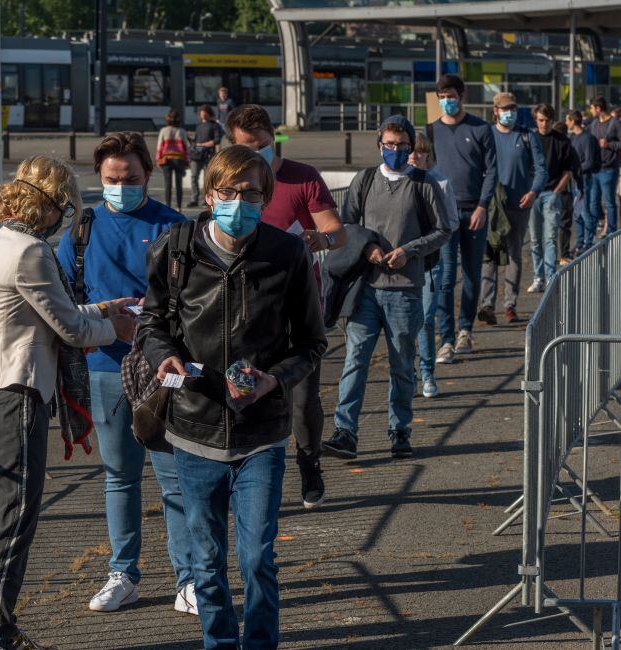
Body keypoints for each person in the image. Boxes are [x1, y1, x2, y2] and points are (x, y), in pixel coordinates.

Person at [136, 145, 327, 650]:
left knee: (258, 557)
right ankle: (218, 642)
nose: (239, 202)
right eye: (229, 191)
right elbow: (152, 321)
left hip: (261, 432)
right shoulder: (177, 248)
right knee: (206, 560)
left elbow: (312, 342)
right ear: (209, 194)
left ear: (265, 198)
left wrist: (275, 379)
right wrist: (164, 355)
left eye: (251, 193)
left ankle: (260, 643)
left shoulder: (287, 254)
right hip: (194, 428)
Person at [0, 155, 136, 650]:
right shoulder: (30, 252)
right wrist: (115, 327)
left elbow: (48, 311)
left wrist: (101, 308)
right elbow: (71, 329)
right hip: (16, 390)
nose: (65, 216)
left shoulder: (5, 241)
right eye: (64, 206)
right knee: (13, 518)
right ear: (49, 204)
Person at [53, 132, 196, 615]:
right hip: (104, 367)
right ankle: (123, 574)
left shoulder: (173, 226)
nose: (120, 186)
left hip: (162, 369)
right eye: (112, 178)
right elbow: (60, 298)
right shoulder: (82, 228)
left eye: (130, 178)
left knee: (174, 478)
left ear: (148, 174)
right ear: (99, 177)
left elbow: (196, 297)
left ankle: (188, 579)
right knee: (119, 476)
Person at [225, 103, 346, 509]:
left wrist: (321, 239)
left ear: (273, 137)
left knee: (303, 398)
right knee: (245, 392)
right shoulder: (230, 183)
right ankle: (250, 477)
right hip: (245, 308)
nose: (255, 153)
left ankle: (309, 462)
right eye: (245, 146)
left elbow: (336, 230)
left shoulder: (302, 177)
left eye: (261, 144)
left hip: (297, 306)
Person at [323, 116, 454, 461]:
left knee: (401, 364)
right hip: (365, 287)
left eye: (402, 145)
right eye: (390, 144)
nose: (395, 150)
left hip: (405, 290)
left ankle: (400, 430)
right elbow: (347, 224)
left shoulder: (424, 184)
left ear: (411, 146)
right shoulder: (365, 180)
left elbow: (443, 230)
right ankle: (345, 431)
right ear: (379, 144)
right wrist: (367, 247)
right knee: (355, 359)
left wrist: (409, 250)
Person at [426, 73, 498, 363]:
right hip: (444, 214)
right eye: (442, 97)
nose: (447, 102)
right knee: (444, 277)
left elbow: (492, 171)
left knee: (471, 274)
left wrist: (483, 206)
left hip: (474, 212)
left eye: (451, 97)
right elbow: (426, 169)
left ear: (462, 96)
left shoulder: (481, 128)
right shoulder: (431, 130)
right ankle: (445, 339)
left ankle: (465, 330)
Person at [477, 92, 546, 323]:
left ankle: (510, 305)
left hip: (519, 204)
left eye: (513, 109)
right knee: (489, 256)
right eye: (505, 109)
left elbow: (541, 169)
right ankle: (487, 305)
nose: (509, 113)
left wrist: (533, 192)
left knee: (514, 254)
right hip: (492, 206)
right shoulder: (486, 135)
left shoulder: (527, 136)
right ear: (495, 111)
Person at [412, 129, 459, 399]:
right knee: (404, 322)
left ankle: (427, 373)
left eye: (420, 152)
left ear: (428, 154)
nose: (414, 156)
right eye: (411, 151)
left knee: (426, 319)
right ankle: (408, 374)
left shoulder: (440, 182)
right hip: (402, 264)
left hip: (430, 262)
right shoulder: (398, 181)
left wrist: (432, 232)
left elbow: (452, 222)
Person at [528, 104, 578, 289]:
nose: (544, 124)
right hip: (533, 193)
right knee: (535, 239)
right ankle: (538, 277)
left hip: (551, 193)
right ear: (536, 120)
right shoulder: (529, 139)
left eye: (547, 120)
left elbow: (568, 171)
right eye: (540, 120)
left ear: (552, 120)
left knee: (550, 238)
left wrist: (557, 191)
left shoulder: (562, 141)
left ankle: (550, 277)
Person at [586, 97, 621, 237]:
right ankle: (591, 233)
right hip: (595, 169)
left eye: (592, 108)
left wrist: (608, 144)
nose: (590, 110)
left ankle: (611, 232)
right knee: (593, 202)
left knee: (609, 202)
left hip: (609, 169)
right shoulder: (594, 123)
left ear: (598, 108)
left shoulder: (615, 123)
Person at [567, 109, 600, 255]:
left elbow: (589, 161)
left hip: (584, 179)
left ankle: (588, 242)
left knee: (585, 212)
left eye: (567, 120)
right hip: (575, 179)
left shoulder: (587, 138)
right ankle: (580, 242)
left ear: (573, 121)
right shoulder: (573, 137)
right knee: (577, 213)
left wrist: (575, 169)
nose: (566, 123)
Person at [552, 120, 578, 263]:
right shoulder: (569, 148)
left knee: (552, 225)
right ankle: (564, 254)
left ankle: (553, 256)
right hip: (565, 191)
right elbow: (577, 169)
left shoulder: (551, 147)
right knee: (564, 224)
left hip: (551, 190)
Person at [188, 105, 222, 208]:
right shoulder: (199, 125)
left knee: (206, 179)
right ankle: (194, 199)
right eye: (201, 114)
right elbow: (196, 139)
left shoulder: (215, 125)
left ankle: (205, 200)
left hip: (208, 155)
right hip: (196, 155)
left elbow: (217, 140)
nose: (203, 115)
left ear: (209, 113)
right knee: (194, 177)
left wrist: (202, 145)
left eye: (205, 113)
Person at [156, 110, 190, 211]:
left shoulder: (163, 130)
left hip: (166, 160)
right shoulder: (182, 131)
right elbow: (186, 147)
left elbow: (159, 147)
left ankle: (168, 206)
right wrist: (187, 160)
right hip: (179, 160)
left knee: (168, 185)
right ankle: (179, 207)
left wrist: (158, 159)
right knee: (179, 185)